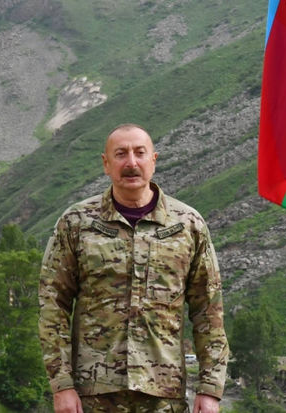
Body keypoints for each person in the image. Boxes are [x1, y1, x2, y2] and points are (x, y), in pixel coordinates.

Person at [39, 124, 229, 413]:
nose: (131, 162)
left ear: (154, 160)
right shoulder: (76, 223)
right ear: (106, 164)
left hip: (163, 394)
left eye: (140, 153)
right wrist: (62, 384)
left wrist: (210, 389)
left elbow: (208, 310)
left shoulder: (188, 225)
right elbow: (53, 306)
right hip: (94, 393)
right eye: (121, 154)